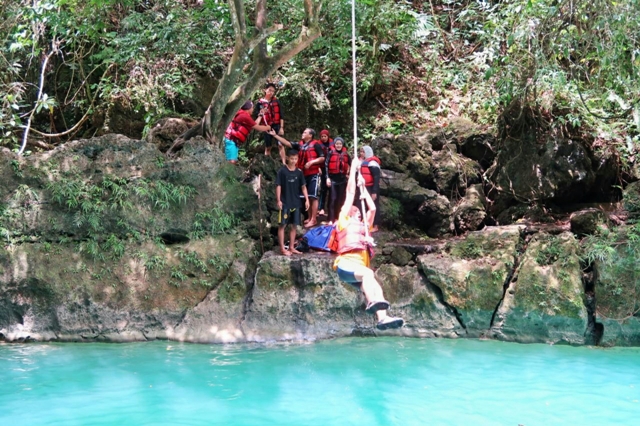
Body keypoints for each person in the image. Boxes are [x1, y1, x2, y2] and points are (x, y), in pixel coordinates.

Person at [333, 157, 404, 330]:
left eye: (357, 208)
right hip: (346, 265)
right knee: (368, 274)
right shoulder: (344, 220)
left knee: (374, 284)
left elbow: (371, 209)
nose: (356, 208)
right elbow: (350, 193)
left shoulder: (365, 226)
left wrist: (364, 189)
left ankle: (383, 318)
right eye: (354, 208)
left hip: (358, 270)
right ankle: (372, 302)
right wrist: (353, 170)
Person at [269, 128, 325, 228]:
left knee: (313, 196)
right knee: (306, 196)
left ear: (310, 135)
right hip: (303, 174)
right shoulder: (300, 145)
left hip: (313, 173)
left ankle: (314, 219)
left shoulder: (316, 144)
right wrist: (275, 135)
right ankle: (309, 217)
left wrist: (311, 162)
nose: (302, 134)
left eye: (305, 132)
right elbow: (286, 143)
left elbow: (322, 158)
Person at [276, 149, 310, 255]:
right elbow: (278, 186)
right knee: (283, 225)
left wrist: (307, 199)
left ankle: (291, 247)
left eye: (295, 159)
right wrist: (278, 200)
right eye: (292, 159)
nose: (293, 161)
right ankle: (282, 248)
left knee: (294, 225)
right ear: (287, 158)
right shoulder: (282, 171)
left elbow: (303, 187)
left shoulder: (299, 172)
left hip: (296, 202)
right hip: (285, 202)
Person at [224, 100, 271, 164]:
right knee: (231, 161)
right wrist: (268, 127)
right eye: (252, 107)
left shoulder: (244, 115)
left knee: (233, 161)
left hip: (234, 141)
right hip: (231, 140)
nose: (252, 109)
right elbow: (258, 128)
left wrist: (260, 115)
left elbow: (254, 124)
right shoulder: (245, 116)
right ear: (248, 108)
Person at [254, 83, 286, 163]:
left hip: (277, 125)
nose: (271, 92)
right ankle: (266, 162)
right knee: (268, 146)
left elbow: (281, 115)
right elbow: (257, 115)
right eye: (269, 90)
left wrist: (281, 127)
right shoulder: (260, 103)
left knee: (280, 144)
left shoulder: (276, 101)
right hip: (266, 126)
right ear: (265, 90)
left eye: (273, 91)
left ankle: (284, 163)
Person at [325, 136, 350, 223]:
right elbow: (326, 165)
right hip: (333, 179)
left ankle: (338, 217)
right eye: (337, 144)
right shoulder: (331, 152)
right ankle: (330, 218)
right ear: (334, 144)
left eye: (340, 144)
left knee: (340, 199)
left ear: (342, 145)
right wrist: (327, 177)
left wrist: (349, 175)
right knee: (333, 198)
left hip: (342, 180)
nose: (338, 145)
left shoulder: (346, 153)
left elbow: (350, 163)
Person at [358, 145, 382, 232]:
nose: (361, 153)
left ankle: (375, 225)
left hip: (372, 187)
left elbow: (376, 178)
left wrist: (374, 191)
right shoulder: (362, 162)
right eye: (360, 152)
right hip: (364, 187)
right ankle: (366, 223)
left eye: (363, 152)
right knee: (362, 205)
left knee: (374, 206)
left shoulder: (373, 163)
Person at [317, 129, 334, 215]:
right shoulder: (318, 144)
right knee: (323, 188)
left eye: (325, 136)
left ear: (328, 136)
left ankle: (331, 209)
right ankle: (321, 208)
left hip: (332, 168)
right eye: (322, 136)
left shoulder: (333, 143)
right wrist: (318, 167)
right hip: (322, 168)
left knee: (332, 189)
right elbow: (315, 156)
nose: (323, 138)